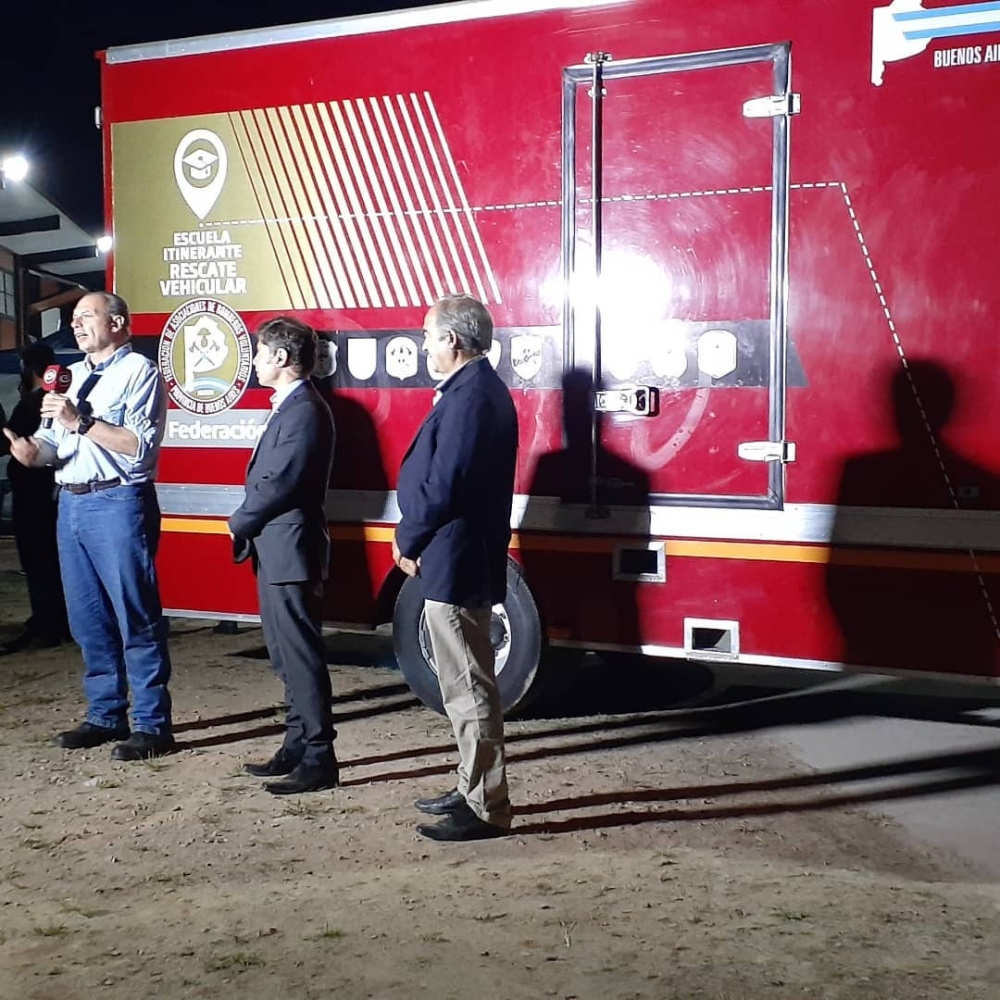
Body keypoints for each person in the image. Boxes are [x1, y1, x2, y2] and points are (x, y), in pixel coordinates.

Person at [3, 292, 174, 761]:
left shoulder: (138, 372)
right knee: (87, 619)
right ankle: (105, 714)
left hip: (118, 502)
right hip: (72, 504)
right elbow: (57, 444)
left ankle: (153, 725)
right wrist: (34, 453)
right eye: (74, 319)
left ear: (118, 322)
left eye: (86, 317)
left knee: (135, 616)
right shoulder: (71, 376)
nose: (76, 325)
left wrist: (79, 420)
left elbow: (137, 447)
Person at [392, 294, 518, 841]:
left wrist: (410, 536)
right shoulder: (473, 392)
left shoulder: (472, 397)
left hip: (455, 557)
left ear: (453, 340)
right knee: (464, 683)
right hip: (455, 556)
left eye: (428, 336)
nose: (424, 346)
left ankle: (486, 805)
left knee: (467, 685)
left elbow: (446, 485)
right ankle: (470, 783)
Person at [229, 316, 338, 795]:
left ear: (279, 358)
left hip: (290, 545)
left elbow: (282, 482)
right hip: (278, 547)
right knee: (284, 653)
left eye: (258, 352)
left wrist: (240, 520)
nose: (254, 361)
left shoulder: (303, 411)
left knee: (299, 654)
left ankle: (319, 755)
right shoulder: (291, 407)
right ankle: (296, 744)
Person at [0, 342, 70, 655]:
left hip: (34, 497)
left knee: (38, 561)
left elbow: (10, 443)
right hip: (51, 495)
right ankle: (57, 621)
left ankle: (47, 624)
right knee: (53, 561)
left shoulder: (34, 405)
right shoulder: (56, 402)